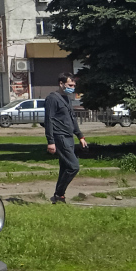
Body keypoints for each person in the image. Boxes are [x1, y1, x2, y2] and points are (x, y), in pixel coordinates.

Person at [45, 72, 87, 204]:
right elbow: (49, 120)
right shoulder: (53, 98)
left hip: (69, 137)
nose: (72, 87)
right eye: (70, 84)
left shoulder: (67, 99)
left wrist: (80, 136)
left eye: (74, 85)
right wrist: (51, 142)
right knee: (74, 166)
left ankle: (59, 196)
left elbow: (72, 119)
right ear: (61, 84)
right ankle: (59, 193)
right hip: (60, 136)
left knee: (65, 167)